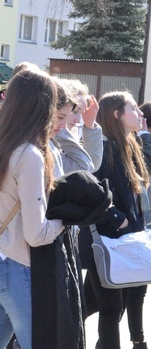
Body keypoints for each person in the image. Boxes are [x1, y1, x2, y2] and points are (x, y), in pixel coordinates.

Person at [0, 69, 66, 349]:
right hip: (19, 266)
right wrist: (65, 221)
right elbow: (36, 235)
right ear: (43, 107)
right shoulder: (29, 156)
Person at [85, 92, 149, 349]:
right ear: (117, 115)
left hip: (124, 240)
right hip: (107, 240)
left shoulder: (129, 146)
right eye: (134, 109)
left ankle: (24, 338)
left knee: (86, 304)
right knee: (111, 309)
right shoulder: (103, 147)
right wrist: (118, 220)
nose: (141, 113)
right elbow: (92, 192)